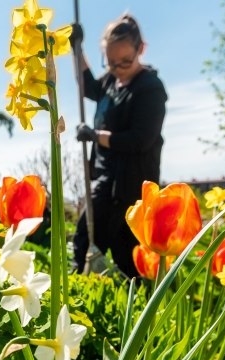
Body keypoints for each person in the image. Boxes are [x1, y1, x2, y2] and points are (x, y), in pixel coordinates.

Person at [70, 14, 168, 277]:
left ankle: (138, 304)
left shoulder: (150, 88)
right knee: (86, 244)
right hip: (104, 178)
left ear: (141, 49)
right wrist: (76, 49)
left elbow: (140, 139)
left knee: (126, 253)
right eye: (111, 62)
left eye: (125, 61)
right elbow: (88, 85)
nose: (118, 68)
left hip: (130, 186)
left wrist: (96, 135)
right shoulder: (111, 81)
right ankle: (85, 296)